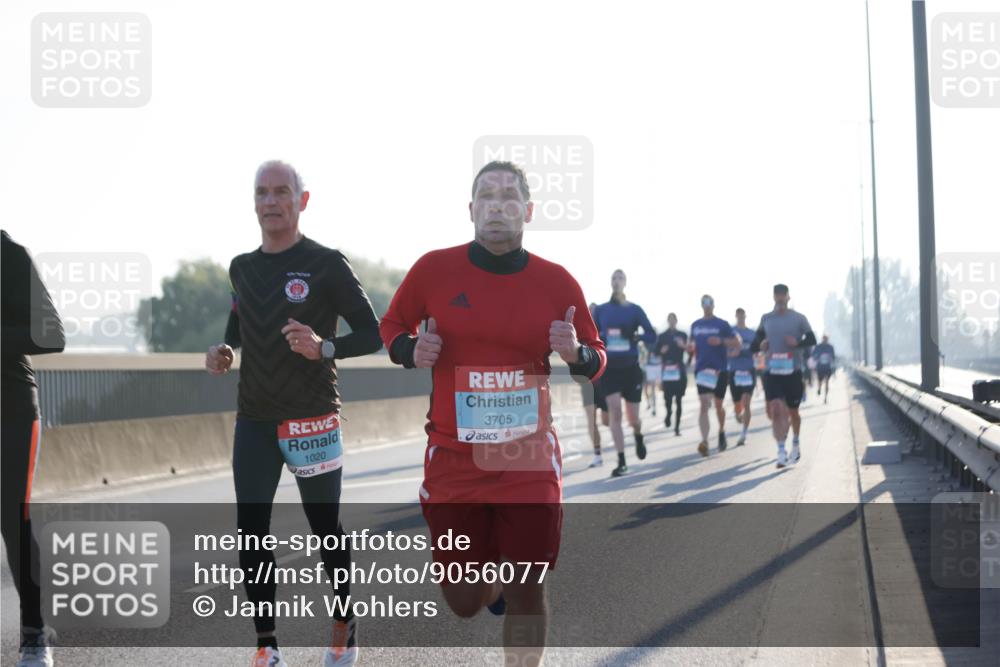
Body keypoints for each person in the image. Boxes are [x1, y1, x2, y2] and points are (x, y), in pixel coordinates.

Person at [379, 161, 607, 667]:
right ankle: (492, 587)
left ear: (528, 210)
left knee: (528, 588)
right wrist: (409, 349)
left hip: (527, 459)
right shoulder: (434, 270)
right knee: (464, 601)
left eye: (508, 196)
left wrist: (575, 353)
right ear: (471, 210)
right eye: (486, 195)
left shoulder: (556, 281)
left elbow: (596, 358)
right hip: (454, 459)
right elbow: (392, 323)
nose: (497, 205)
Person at [205, 161, 382, 667]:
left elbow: (373, 334)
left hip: (312, 417)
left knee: (325, 527)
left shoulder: (327, 263)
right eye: (262, 192)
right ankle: (267, 646)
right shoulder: (241, 266)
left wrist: (324, 347)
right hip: (255, 419)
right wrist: (224, 349)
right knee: (250, 531)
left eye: (281, 192)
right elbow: (240, 318)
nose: (270, 201)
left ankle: (345, 625)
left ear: (302, 201)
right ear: (253, 202)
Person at [2, 230, 65, 667]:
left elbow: (51, 335)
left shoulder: (8, 255)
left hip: (9, 410)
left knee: (13, 520)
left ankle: (34, 635)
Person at [593, 270, 656, 477]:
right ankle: (621, 461)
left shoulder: (635, 310)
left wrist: (636, 337)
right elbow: (590, 334)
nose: (616, 281)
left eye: (620, 278)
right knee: (615, 413)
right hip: (610, 369)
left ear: (625, 283)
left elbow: (651, 335)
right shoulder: (601, 310)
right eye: (614, 277)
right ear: (610, 282)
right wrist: (600, 337)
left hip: (631, 369)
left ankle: (638, 435)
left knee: (633, 418)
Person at [750, 284, 817, 468]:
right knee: (776, 409)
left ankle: (795, 442)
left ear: (788, 297)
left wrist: (797, 343)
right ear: (774, 297)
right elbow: (755, 344)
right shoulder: (766, 319)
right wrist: (761, 345)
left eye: (783, 295)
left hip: (792, 371)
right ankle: (781, 451)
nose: (780, 298)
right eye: (777, 295)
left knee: (793, 412)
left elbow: (812, 339)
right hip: (772, 371)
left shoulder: (799, 318)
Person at [688, 295, 741, 457]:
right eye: (704, 303)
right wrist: (689, 348)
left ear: (713, 305)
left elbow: (737, 342)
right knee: (704, 404)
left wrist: (721, 341)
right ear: (701, 305)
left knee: (718, 405)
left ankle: (722, 430)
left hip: (719, 369)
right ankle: (704, 441)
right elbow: (691, 344)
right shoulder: (695, 325)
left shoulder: (722, 324)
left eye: (709, 302)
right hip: (702, 369)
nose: (707, 305)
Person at [577, 303, 608, 467]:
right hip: (587, 384)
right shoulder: (580, 335)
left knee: (607, 422)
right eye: (589, 311)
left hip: (605, 383)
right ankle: (598, 455)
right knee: (591, 420)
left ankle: (615, 432)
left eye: (594, 312)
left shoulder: (605, 333)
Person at [654, 313, 689, 436]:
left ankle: (677, 428)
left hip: (679, 369)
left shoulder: (682, 335)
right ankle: (668, 413)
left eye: (674, 320)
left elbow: (690, 350)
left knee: (679, 400)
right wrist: (661, 351)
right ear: (668, 321)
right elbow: (656, 352)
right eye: (670, 320)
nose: (672, 322)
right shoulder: (662, 336)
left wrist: (682, 345)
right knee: (667, 398)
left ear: (676, 321)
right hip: (667, 370)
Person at [728, 308, 757, 447]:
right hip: (734, 371)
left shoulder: (751, 333)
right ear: (736, 316)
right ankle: (737, 413)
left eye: (742, 316)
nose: (741, 318)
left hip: (749, 370)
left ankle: (744, 434)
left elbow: (757, 349)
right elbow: (724, 349)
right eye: (738, 316)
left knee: (746, 402)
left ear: (745, 316)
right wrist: (731, 353)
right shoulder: (730, 332)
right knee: (737, 404)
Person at [812, 335, 836, 403]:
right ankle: (819, 388)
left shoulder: (830, 347)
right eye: (824, 339)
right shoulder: (818, 347)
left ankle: (825, 398)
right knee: (820, 381)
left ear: (828, 339)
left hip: (828, 367)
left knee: (827, 382)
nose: (825, 340)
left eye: (826, 339)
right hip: (820, 367)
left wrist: (831, 359)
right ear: (822, 339)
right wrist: (817, 358)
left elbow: (833, 357)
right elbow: (813, 355)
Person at [642, 343, 660, 416]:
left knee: (653, 389)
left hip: (654, 369)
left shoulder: (658, 345)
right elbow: (641, 359)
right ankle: (649, 403)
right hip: (645, 370)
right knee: (646, 389)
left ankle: (654, 407)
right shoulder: (644, 346)